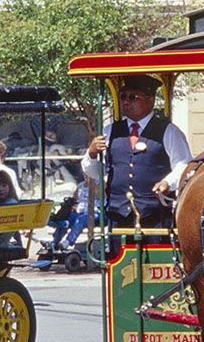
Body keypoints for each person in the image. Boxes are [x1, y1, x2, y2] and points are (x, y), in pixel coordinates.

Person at [80, 74, 192, 230]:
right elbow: (94, 172)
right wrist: (91, 154)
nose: (126, 102)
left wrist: (167, 182)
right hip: (118, 215)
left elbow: (183, 165)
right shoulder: (110, 131)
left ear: (150, 100)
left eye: (133, 97)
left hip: (155, 216)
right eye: (123, 96)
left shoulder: (169, 132)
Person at [0, 170, 22, 249]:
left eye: (4, 185)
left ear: (10, 187)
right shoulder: (11, 202)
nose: (1, 189)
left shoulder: (10, 204)